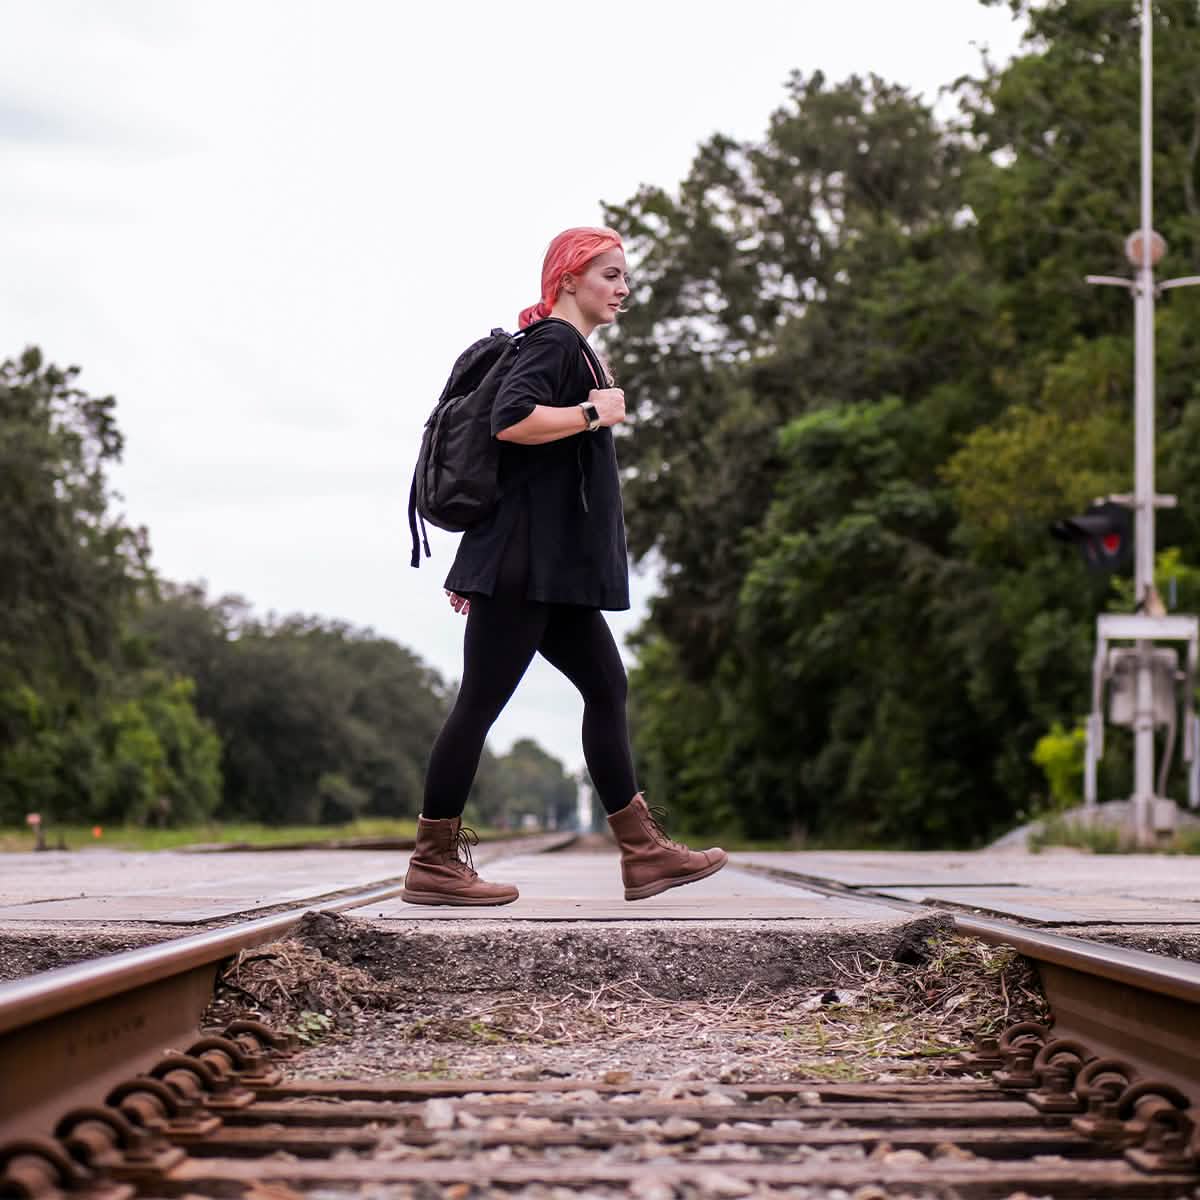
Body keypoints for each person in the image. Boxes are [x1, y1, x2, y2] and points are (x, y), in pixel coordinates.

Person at [403, 226, 728, 907]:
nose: (623, 288)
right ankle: (433, 859)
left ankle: (644, 855)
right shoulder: (554, 342)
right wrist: (592, 411)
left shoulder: (570, 347)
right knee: (481, 703)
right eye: (610, 274)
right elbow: (509, 419)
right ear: (570, 278)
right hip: (528, 565)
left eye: (624, 277)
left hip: (548, 568)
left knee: (607, 688)